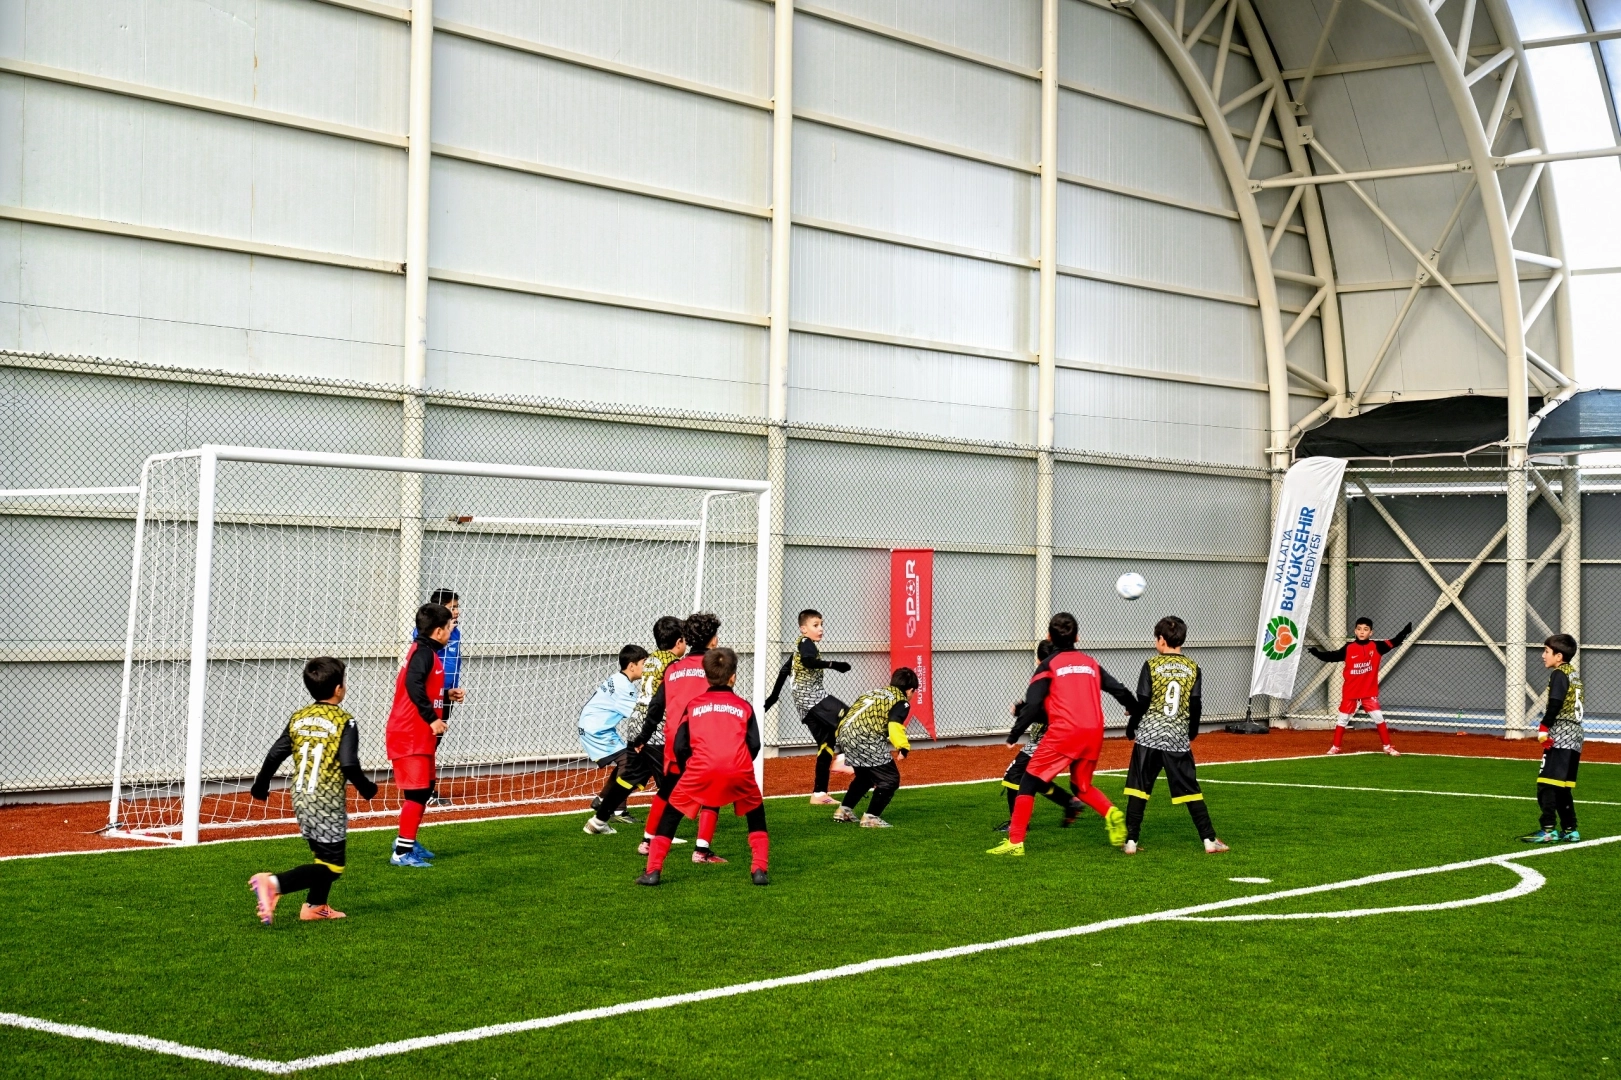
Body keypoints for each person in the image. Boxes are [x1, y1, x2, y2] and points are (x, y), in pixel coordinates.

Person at [988, 613, 1132, 857]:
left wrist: (1014, 733)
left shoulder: (1048, 666)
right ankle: (1111, 812)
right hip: (1094, 731)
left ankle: (1015, 842)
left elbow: (1035, 705)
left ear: (1049, 637)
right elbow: (1118, 689)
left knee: (1028, 780)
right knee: (1081, 786)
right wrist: (1135, 709)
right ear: (1077, 637)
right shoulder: (1090, 663)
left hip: (1064, 732)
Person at [247, 657, 379, 923]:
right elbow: (349, 763)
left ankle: (315, 906)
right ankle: (273, 883)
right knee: (333, 867)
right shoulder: (345, 721)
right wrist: (367, 788)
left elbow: (275, 754)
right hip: (326, 800)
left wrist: (261, 784)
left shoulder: (299, 717)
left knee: (322, 856)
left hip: (301, 797)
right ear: (339, 689)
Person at [637, 647, 770, 887]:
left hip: (698, 770)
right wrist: (736, 764)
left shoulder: (693, 705)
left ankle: (653, 871)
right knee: (756, 814)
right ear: (733, 677)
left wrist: (691, 766)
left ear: (706, 676)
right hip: (739, 770)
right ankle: (759, 870)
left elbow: (680, 745)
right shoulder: (744, 706)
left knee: (671, 815)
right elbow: (754, 744)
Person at [1121, 616, 1227, 855]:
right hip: (1177, 738)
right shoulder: (1193, 667)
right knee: (1190, 789)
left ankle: (1130, 842)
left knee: (1139, 788)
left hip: (1149, 736)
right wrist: (1192, 731)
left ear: (1161, 640)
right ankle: (1209, 840)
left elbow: (1143, 702)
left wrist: (1131, 727)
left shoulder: (1151, 665)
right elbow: (1196, 704)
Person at [634, 612, 723, 860]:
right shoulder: (715, 667)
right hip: (703, 743)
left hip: (674, 743)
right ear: (712, 639)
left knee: (667, 790)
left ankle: (647, 841)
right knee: (712, 791)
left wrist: (643, 736)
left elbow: (656, 706)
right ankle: (701, 851)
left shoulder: (673, 668)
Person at [589, 616, 686, 831]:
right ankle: (661, 833)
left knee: (629, 777)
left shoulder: (650, 660)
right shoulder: (675, 665)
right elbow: (665, 700)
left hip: (636, 725)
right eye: (685, 640)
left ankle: (598, 820)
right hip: (655, 728)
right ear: (679, 641)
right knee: (669, 782)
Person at [386, 603, 452, 867]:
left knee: (424, 790)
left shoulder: (425, 651)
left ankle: (407, 841)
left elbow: (420, 686)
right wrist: (432, 719)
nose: (451, 631)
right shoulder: (423, 653)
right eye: (449, 627)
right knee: (417, 793)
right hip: (410, 733)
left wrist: (447, 695)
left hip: (418, 734)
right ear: (438, 631)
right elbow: (413, 684)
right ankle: (401, 853)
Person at [995, 639, 1087, 832]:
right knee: (1034, 778)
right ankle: (1070, 803)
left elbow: (1044, 710)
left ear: (1039, 659)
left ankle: (1018, 824)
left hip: (1047, 738)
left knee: (1014, 775)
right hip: (1059, 736)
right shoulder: (1063, 676)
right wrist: (1024, 709)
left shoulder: (1046, 676)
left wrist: (1020, 719)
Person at [764, 609, 853, 805]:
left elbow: (784, 670)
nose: (820, 629)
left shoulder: (799, 646)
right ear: (803, 629)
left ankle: (819, 794)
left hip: (803, 705)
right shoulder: (806, 644)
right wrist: (835, 664)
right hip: (812, 698)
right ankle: (844, 759)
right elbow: (809, 661)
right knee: (849, 716)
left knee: (827, 742)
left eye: (822, 625)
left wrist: (773, 697)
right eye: (816, 625)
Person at [1308, 617, 1411, 756]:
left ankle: (1387, 747)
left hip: (1368, 692)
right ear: (1355, 631)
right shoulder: (1348, 648)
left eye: (1366, 629)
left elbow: (1395, 642)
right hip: (1350, 691)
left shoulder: (1377, 646)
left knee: (1378, 718)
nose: (1362, 632)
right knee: (1342, 719)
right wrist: (1317, 653)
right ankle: (1336, 747)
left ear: (1371, 632)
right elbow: (1332, 656)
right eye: (1359, 629)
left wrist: (1404, 632)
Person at [830, 669, 919, 828]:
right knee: (890, 779)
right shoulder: (901, 701)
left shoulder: (872, 693)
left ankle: (844, 811)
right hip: (866, 738)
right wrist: (903, 747)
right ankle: (871, 818)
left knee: (865, 778)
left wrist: (841, 748)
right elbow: (894, 723)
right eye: (914, 692)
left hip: (844, 734)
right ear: (910, 690)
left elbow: (849, 715)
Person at [579, 645, 648, 836]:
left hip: (596, 727)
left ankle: (602, 800)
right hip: (597, 730)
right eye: (644, 663)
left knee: (626, 761)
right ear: (632, 665)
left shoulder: (619, 680)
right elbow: (639, 715)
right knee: (629, 762)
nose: (647, 667)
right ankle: (618, 810)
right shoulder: (624, 687)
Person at [1523, 633, 1585, 844]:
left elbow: (1556, 702)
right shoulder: (1574, 675)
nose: (1543, 655)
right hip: (1575, 734)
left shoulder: (1558, 674)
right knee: (1562, 787)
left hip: (1561, 733)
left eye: (1546, 651)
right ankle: (1570, 830)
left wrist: (1543, 728)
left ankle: (1548, 829)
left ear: (1559, 656)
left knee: (1546, 784)